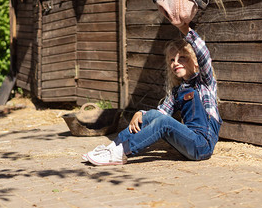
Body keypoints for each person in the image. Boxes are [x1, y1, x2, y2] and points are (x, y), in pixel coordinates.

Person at [83, 23, 222, 166]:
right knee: (151, 116)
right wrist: (141, 114)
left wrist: (185, 29)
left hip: (202, 145)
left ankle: (122, 152)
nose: (176, 63)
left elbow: (204, 54)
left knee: (164, 123)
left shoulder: (205, 83)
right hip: (188, 140)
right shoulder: (177, 91)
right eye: (172, 60)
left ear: (196, 63)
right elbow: (160, 113)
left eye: (182, 58)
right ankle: (112, 148)